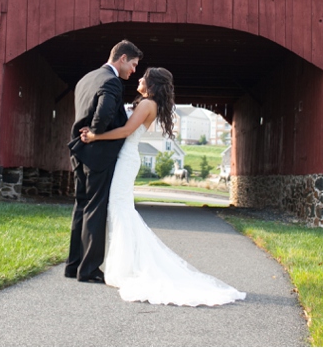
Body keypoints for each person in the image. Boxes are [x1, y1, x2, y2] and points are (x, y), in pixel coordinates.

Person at [80, 67, 246, 307]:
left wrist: (95, 136)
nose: (138, 78)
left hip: (127, 159)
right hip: (125, 158)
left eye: (143, 77)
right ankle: (122, 264)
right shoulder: (147, 103)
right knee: (119, 210)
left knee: (120, 210)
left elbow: (127, 131)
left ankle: (127, 267)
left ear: (152, 84)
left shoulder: (148, 104)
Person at [65, 40, 143, 283]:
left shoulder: (86, 78)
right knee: (95, 209)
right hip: (98, 154)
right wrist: (97, 132)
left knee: (81, 206)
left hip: (78, 152)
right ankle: (88, 270)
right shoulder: (112, 82)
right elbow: (105, 111)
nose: (134, 71)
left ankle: (73, 266)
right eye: (133, 64)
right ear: (122, 59)